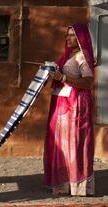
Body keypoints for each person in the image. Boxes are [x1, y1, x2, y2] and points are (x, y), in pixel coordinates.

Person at [44, 24, 95, 196]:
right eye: (67, 35)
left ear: (81, 38)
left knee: (74, 142)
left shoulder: (83, 56)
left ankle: (77, 185)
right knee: (60, 143)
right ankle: (62, 183)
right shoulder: (67, 56)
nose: (68, 38)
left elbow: (88, 82)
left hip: (76, 106)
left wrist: (63, 77)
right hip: (61, 104)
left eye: (72, 35)